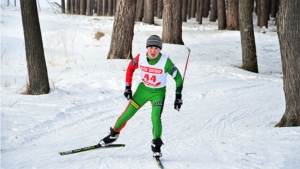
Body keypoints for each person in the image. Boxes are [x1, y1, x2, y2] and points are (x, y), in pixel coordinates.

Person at [99, 35, 183, 157]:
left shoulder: (166, 62)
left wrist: (178, 97)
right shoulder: (141, 58)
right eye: (150, 48)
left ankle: (156, 145)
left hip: (158, 94)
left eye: (156, 48)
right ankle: (113, 134)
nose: (153, 51)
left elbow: (178, 78)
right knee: (127, 113)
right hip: (142, 91)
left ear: (160, 49)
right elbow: (130, 69)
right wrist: (128, 87)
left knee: (155, 118)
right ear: (146, 48)